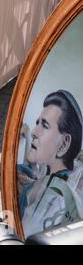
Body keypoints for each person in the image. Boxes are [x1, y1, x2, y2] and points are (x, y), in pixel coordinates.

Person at [18, 90, 83, 238]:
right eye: (37, 123)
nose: (34, 132)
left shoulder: (54, 197)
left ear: (64, 144)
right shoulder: (45, 179)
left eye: (45, 125)